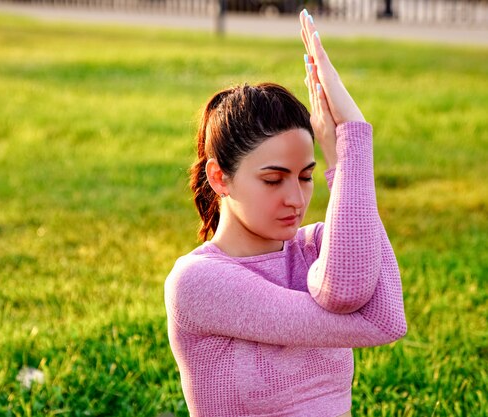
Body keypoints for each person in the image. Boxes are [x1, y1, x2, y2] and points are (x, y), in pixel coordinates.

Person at [164, 9, 407, 417]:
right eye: (274, 180)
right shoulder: (197, 282)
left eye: (307, 176)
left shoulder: (315, 249)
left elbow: (355, 293)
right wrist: (352, 152)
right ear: (220, 178)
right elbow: (382, 322)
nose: (296, 199)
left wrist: (347, 156)